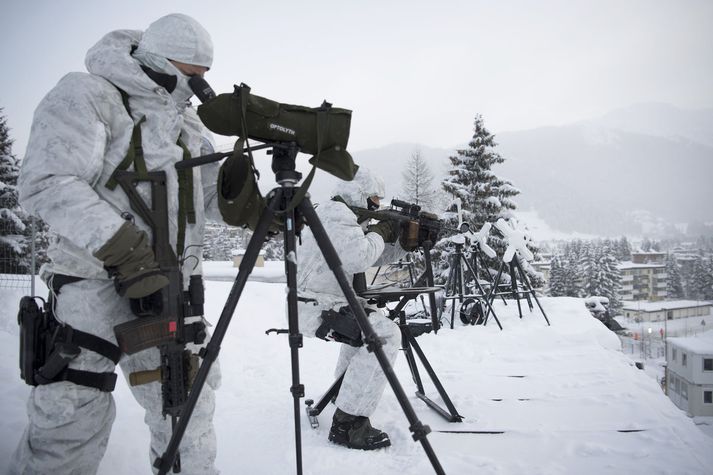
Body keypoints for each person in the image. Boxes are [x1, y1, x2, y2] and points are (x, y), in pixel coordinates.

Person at [11, 14, 222, 474]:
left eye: (204, 78)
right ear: (157, 61)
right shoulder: (88, 95)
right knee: (70, 422)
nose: (198, 88)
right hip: (94, 285)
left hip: (171, 289)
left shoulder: (187, 126)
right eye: (192, 75)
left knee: (187, 416)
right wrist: (125, 249)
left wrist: (248, 198)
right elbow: (47, 181)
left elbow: (209, 200)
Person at [296, 168, 407, 450]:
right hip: (319, 308)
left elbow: (370, 253)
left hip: (321, 304)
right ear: (358, 194)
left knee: (372, 324)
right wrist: (381, 231)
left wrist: (406, 244)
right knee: (384, 336)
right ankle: (348, 424)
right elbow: (359, 256)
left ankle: (345, 395)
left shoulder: (338, 215)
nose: (376, 207)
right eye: (373, 200)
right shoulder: (338, 216)